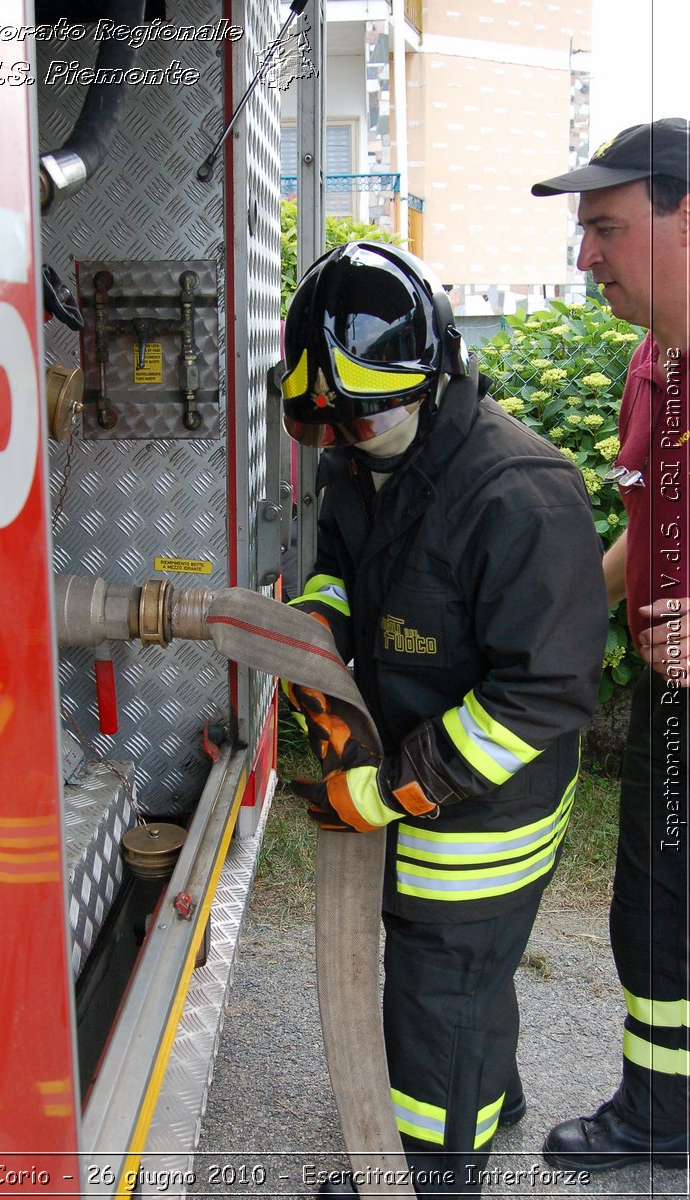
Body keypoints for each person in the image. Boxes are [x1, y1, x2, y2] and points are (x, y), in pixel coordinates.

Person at [279, 241, 609, 1196]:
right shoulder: (372, 458)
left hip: (488, 799)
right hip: (416, 774)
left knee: (440, 978)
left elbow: (541, 691)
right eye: (325, 425)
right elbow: (342, 560)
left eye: (361, 417)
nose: (341, 440)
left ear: (434, 375)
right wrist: (320, 622)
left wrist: (393, 786)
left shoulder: (519, 491)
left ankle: (429, 1166)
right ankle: (485, 1095)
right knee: (464, 977)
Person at [531, 117, 690, 1172]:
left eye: (607, 228)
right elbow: (649, 525)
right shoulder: (653, 365)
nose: (584, 256)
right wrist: (560, 630)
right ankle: (661, 1115)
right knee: (657, 914)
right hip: (670, 705)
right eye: (585, 232)